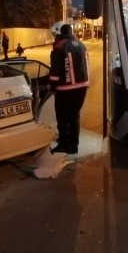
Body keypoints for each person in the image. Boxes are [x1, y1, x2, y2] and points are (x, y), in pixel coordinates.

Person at [49, 22, 89, 155]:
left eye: (55, 35)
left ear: (60, 34)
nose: (55, 38)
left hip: (66, 89)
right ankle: (73, 146)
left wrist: (52, 86)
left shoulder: (60, 46)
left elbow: (55, 71)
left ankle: (63, 145)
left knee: (62, 118)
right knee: (74, 116)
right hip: (82, 87)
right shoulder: (81, 45)